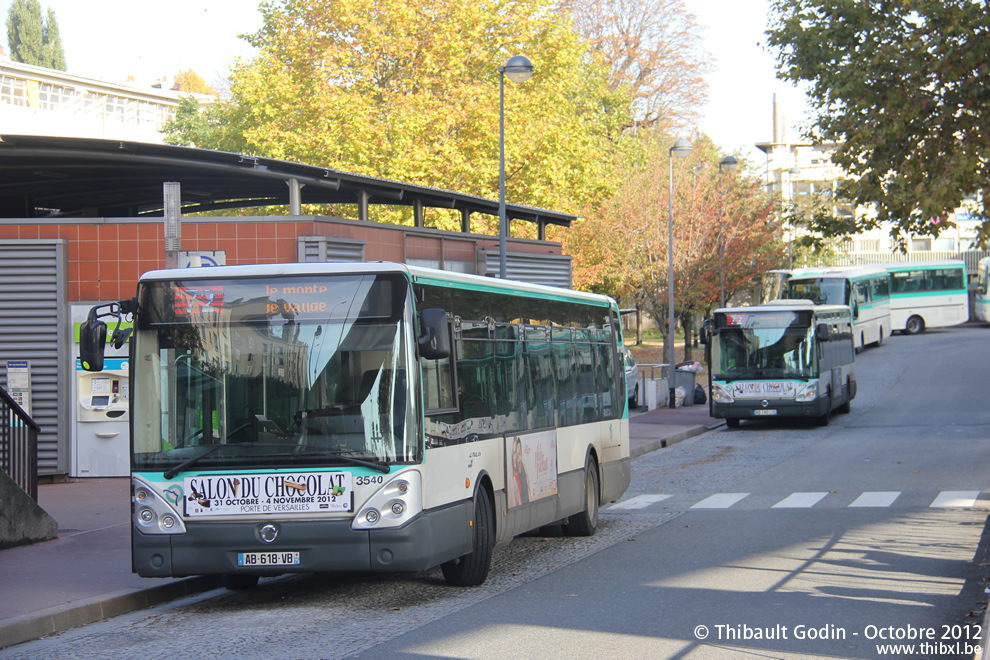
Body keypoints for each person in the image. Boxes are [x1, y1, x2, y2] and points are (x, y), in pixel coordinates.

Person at [507, 436, 530, 507]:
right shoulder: (510, 480)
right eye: (515, 453)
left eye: (519, 453)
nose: (518, 458)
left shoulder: (524, 472)